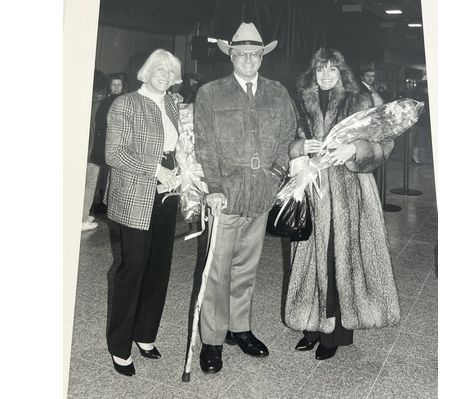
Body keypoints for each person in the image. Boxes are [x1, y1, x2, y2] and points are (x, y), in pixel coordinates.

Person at [193, 22, 297, 374]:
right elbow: (204, 145)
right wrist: (213, 187)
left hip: (261, 192)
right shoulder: (211, 93)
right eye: (242, 54)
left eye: (255, 54)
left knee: (247, 268)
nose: (249, 60)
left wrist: (277, 174)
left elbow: (288, 136)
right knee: (217, 271)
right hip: (226, 192)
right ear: (231, 56)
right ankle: (212, 339)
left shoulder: (278, 92)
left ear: (262, 57)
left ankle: (240, 329)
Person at [285, 48, 400, 360]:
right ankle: (310, 327)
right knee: (309, 259)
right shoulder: (299, 102)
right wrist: (298, 147)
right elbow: (283, 142)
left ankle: (333, 335)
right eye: (320, 69)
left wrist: (353, 149)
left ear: (341, 72)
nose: (325, 76)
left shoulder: (359, 100)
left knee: (338, 259)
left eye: (332, 69)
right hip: (311, 192)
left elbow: (384, 143)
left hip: (348, 194)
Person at [104, 49, 183, 376]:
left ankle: (145, 334)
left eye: (171, 70)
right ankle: (119, 345)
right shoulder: (125, 104)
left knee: (158, 266)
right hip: (134, 194)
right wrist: (155, 170)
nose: (165, 74)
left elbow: (183, 144)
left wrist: (183, 172)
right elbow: (114, 154)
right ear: (146, 71)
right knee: (132, 269)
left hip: (168, 192)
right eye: (159, 68)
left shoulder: (173, 104)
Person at [90, 72, 128, 213]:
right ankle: (102, 204)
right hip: (104, 140)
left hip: (119, 142)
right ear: (109, 86)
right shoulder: (105, 100)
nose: (117, 87)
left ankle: (112, 204)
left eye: (119, 84)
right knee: (104, 174)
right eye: (114, 84)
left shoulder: (126, 100)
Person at [82, 70, 107, 231]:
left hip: (80, 150)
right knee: (89, 184)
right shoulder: (101, 103)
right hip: (92, 152)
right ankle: (82, 218)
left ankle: (80, 214)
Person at [410, 80, 431, 164]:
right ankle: (414, 156)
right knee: (420, 138)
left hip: (423, 120)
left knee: (420, 137)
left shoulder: (419, 95)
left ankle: (415, 156)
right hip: (424, 121)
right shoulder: (423, 96)